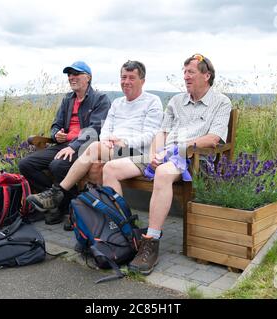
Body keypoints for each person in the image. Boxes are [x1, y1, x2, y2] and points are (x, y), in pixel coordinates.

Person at [102, 54, 232, 275]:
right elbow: (161, 132)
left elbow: (213, 139)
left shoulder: (221, 102)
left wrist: (177, 149)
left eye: (191, 72)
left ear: (206, 75)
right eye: (185, 72)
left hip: (191, 158)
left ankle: (151, 241)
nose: (186, 77)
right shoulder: (175, 101)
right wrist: (155, 153)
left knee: (162, 172)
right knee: (110, 168)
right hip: (163, 155)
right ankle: (125, 233)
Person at [26, 60, 164, 228]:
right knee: (95, 166)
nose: (126, 81)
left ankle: (58, 194)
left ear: (142, 80)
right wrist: (107, 140)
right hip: (114, 149)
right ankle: (104, 219)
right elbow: (105, 128)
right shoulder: (117, 103)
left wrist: (124, 141)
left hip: (137, 151)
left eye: (131, 78)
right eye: (123, 77)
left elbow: (150, 134)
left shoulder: (152, 101)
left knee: (92, 149)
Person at [18, 61, 111, 224]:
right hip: (63, 146)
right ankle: (59, 203)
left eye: (76, 74)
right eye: (69, 75)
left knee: (57, 165)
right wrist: (57, 134)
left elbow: (96, 129)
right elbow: (56, 124)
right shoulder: (67, 99)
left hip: (85, 147)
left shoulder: (100, 99)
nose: (71, 77)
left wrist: (73, 146)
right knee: (26, 164)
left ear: (88, 77)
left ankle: (65, 207)